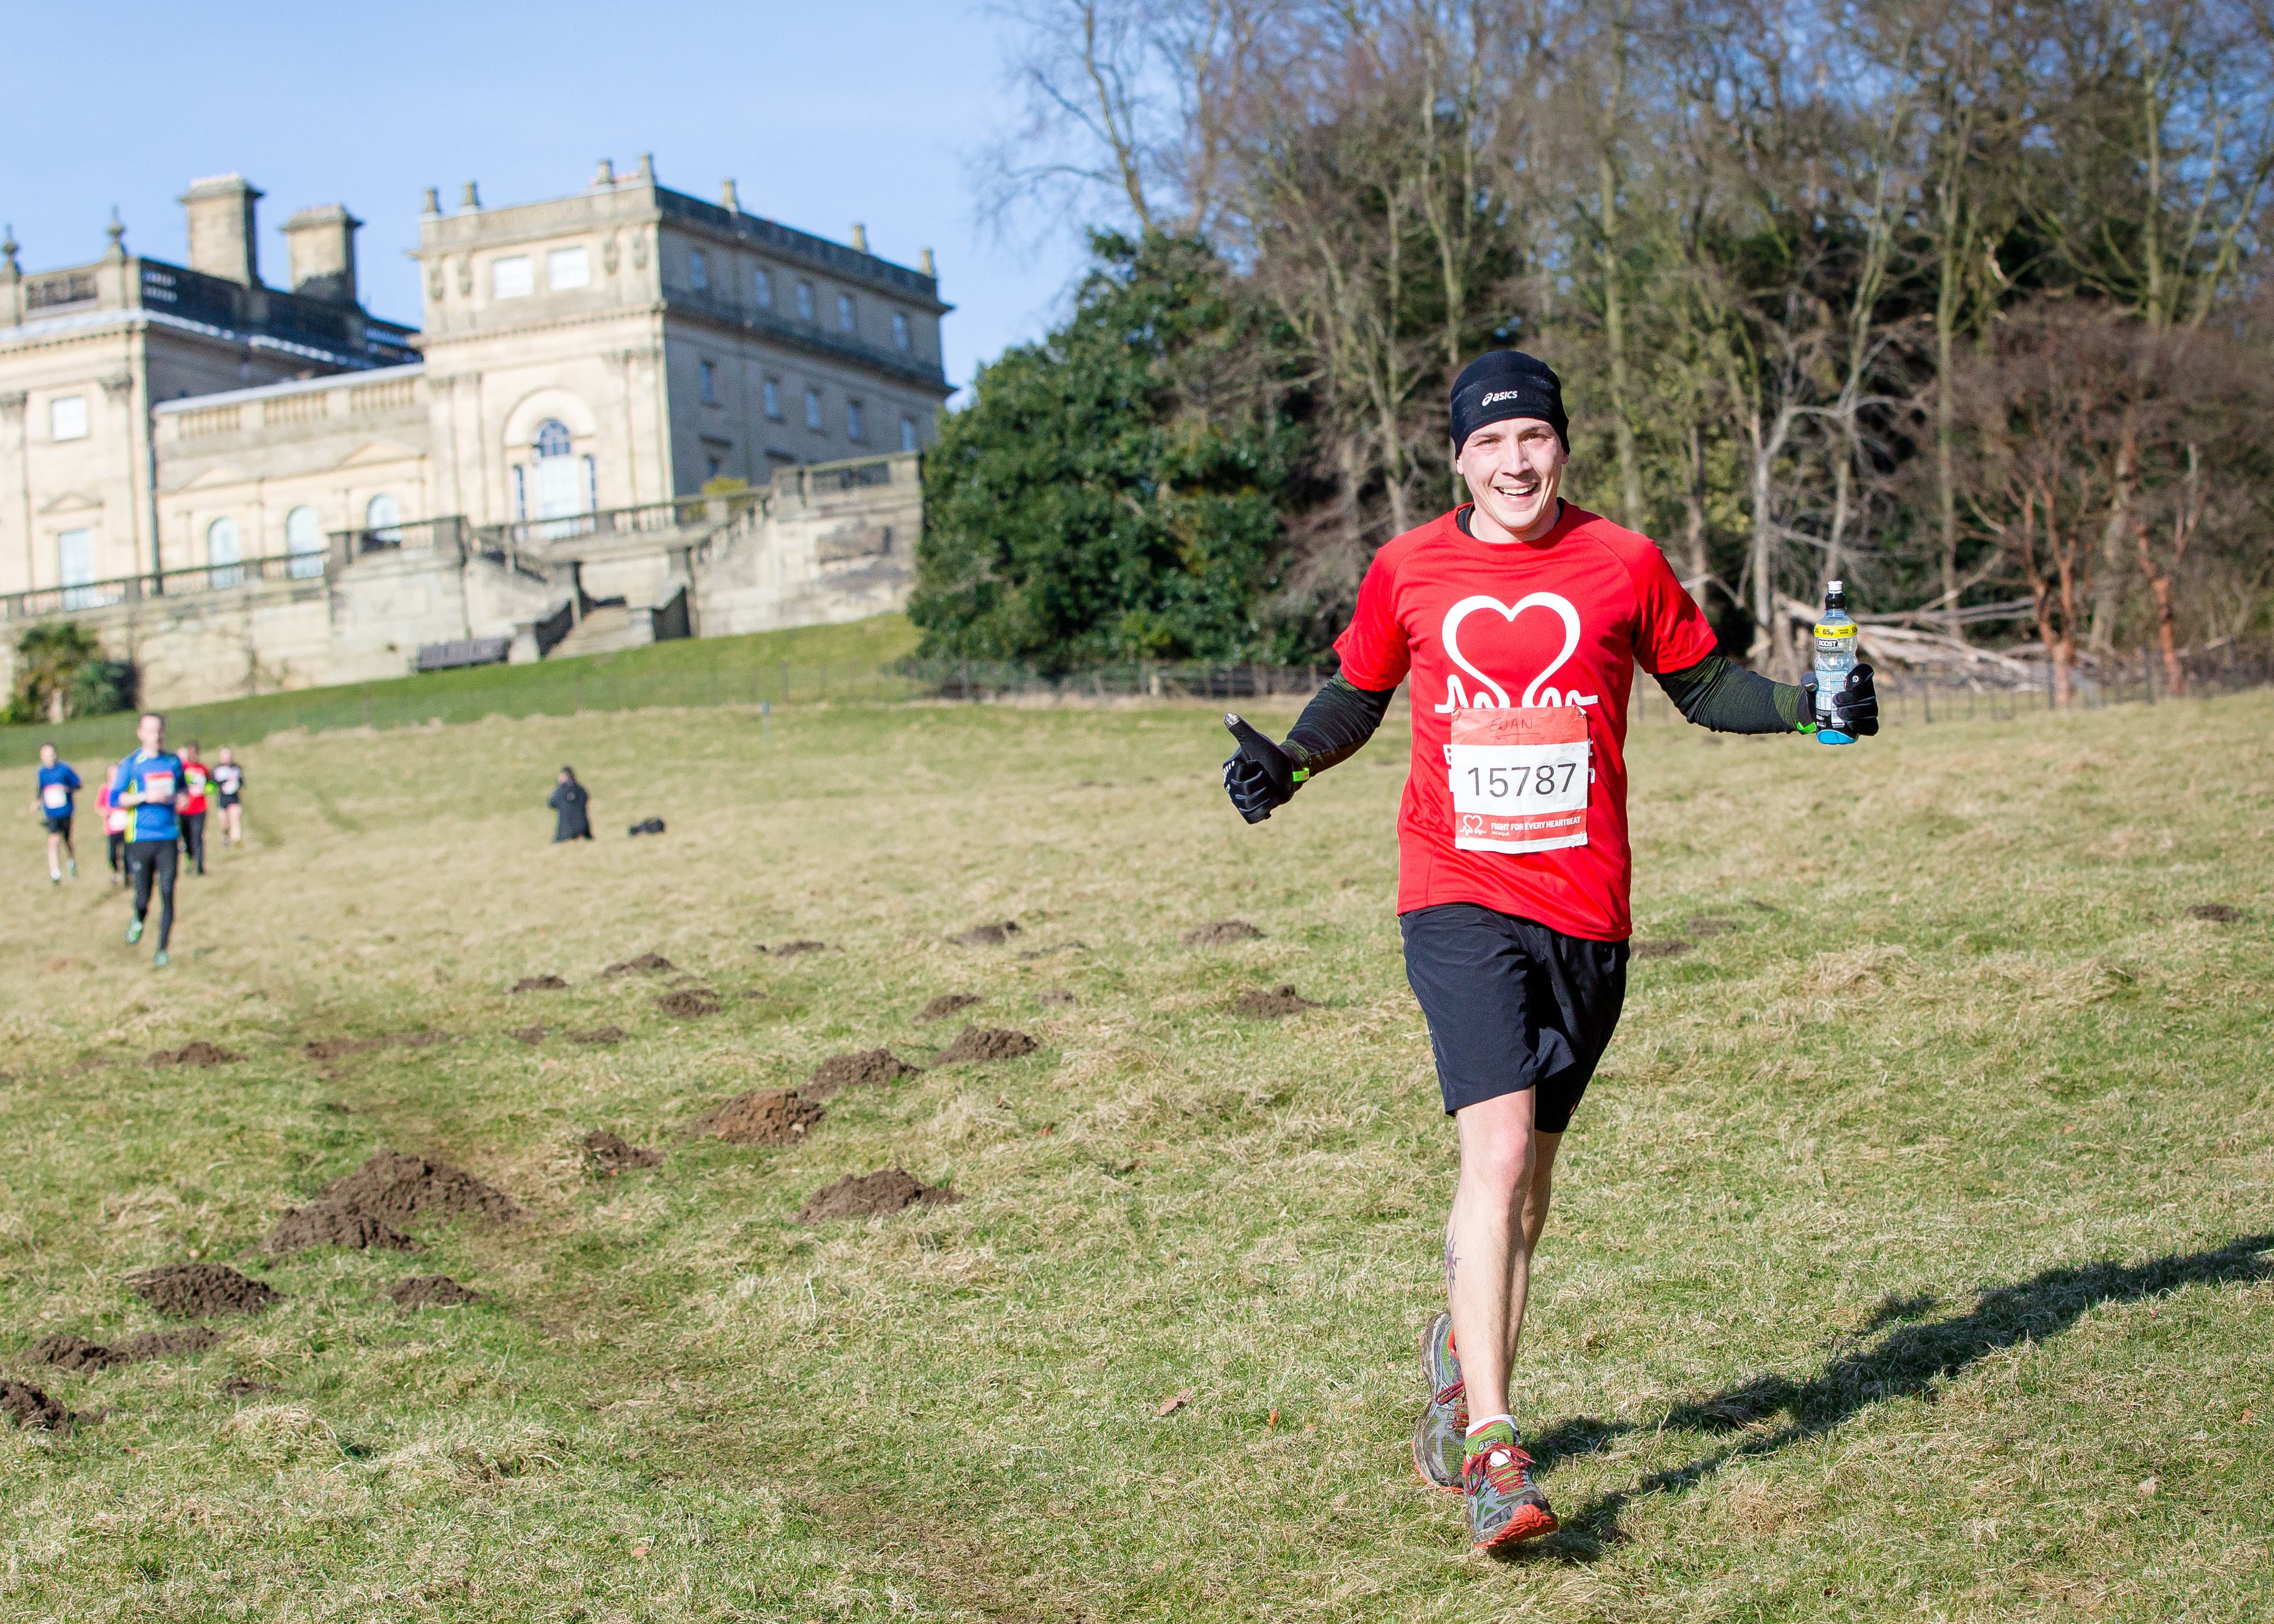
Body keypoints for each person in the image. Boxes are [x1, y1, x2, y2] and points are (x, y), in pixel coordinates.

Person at [1220, 350, 1878, 1553]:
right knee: (1501, 1149)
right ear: (1458, 458)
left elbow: (1703, 684)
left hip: (1588, 911)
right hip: (1456, 895)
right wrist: (1290, 762)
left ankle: (1459, 1356)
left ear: (1559, 447)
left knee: (1527, 1195)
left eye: (1533, 440)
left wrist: (1804, 707)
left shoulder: (1620, 561)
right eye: (1489, 444)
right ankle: (1494, 1452)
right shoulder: (1409, 566)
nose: (1515, 463)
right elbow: (1356, 692)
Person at [113, 713, 188, 969]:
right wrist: (146, 796)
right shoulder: (132, 765)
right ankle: (138, 918)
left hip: (168, 837)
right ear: (141, 734)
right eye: (150, 731)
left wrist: (182, 798)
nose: (156, 736)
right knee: (143, 897)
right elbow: (116, 799)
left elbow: (182, 791)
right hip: (140, 838)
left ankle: (162, 950)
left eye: (159, 731)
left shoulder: (173, 762)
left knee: (168, 892)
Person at [33, 743, 81, 885]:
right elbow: (41, 789)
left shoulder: (65, 769)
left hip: (66, 811)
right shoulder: (41, 772)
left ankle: (71, 863)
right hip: (51, 813)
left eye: (51, 754)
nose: (49, 758)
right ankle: (55, 873)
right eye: (45, 755)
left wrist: (65, 789)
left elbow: (78, 784)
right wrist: (37, 802)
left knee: (67, 841)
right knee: (53, 840)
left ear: (55, 755)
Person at [177, 740, 212, 876]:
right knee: (186, 837)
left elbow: (211, 784)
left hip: (200, 808)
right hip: (184, 810)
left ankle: (200, 865)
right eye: (190, 752)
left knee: (197, 836)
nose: (193, 755)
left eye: (195, 752)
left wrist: (208, 788)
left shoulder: (203, 769)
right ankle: (190, 859)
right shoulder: (182, 768)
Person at [95, 760, 128, 884]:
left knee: (127, 854)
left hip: (126, 827)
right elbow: (99, 806)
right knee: (112, 855)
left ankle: (128, 877)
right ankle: (116, 871)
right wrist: (107, 812)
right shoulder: (105, 790)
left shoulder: (125, 788)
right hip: (112, 828)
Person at [212, 746, 246, 847]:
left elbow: (241, 782)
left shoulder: (236, 768)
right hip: (223, 798)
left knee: (235, 818)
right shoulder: (218, 769)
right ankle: (225, 835)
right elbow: (214, 783)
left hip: (234, 797)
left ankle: (237, 840)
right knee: (224, 821)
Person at [548, 766, 592, 842]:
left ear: (565, 777)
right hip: (583, 830)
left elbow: (551, 803)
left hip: (565, 832)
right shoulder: (581, 789)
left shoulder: (560, 791)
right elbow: (586, 799)